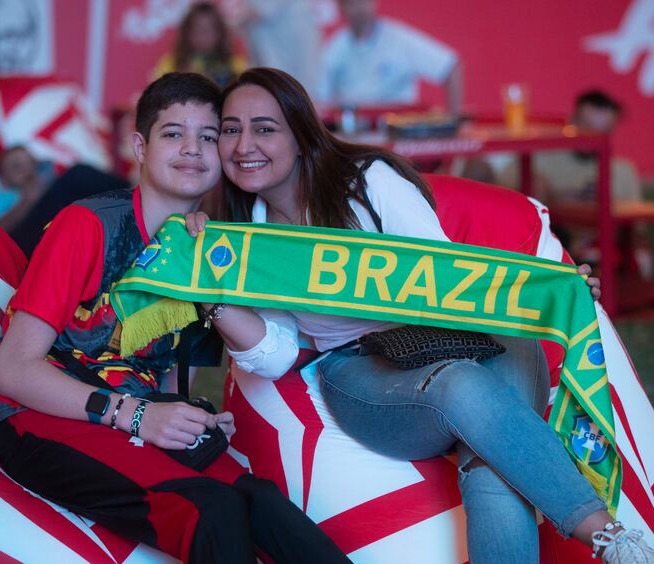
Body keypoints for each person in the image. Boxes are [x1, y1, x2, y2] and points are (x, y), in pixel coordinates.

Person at [187, 67, 654, 563]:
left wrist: (554, 288)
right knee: (462, 387)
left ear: (301, 135)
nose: (244, 145)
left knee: (494, 462)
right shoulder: (243, 240)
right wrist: (210, 288)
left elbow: (447, 276)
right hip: (361, 370)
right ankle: (612, 539)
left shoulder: (367, 182)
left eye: (264, 128)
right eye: (231, 130)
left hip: (459, 335)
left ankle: (620, 546)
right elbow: (277, 355)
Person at [0, 72, 350, 564]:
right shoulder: (87, 224)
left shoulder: (208, 248)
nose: (192, 150)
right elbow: (13, 370)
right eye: (173, 134)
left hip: (136, 415)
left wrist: (196, 411)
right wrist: (136, 415)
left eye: (207, 136)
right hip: (47, 415)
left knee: (266, 507)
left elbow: (193, 376)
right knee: (211, 509)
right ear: (140, 146)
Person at [499, 90, 651, 278]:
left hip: (607, 257)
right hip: (553, 252)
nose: (592, 137)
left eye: (602, 132)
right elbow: (505, 196)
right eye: (586, 127)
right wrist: (556, 201)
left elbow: (636, 233)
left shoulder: (622, 170)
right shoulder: (541, 157)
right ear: (572, 121)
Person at [317, 0, 462, 115]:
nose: (360, 8)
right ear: (340, 7)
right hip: (353, 137)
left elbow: (451, 67)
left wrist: (454, 125)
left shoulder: (399, 39)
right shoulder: (334, 48)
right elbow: (319, 101)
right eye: (352, 2)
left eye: (364, 1)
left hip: (399, 133)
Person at [153, 2, 247, 88]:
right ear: (187, 32)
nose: (203, 35)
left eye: (209, 30)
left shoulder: (235, 66)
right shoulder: (171, 65)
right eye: (197, 29)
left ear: (220, 33)